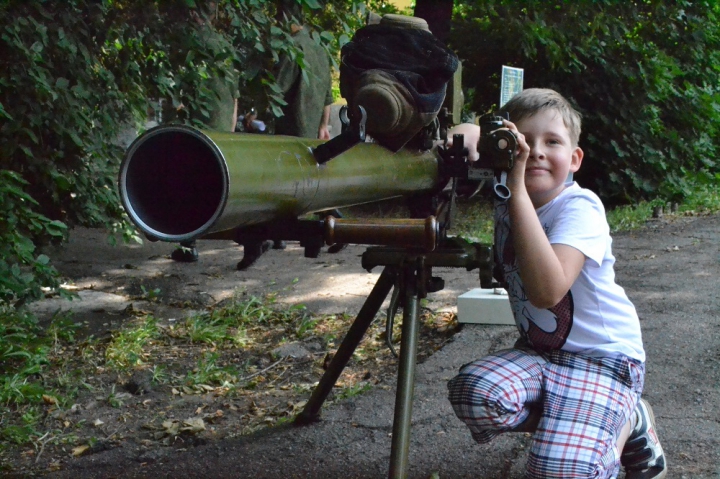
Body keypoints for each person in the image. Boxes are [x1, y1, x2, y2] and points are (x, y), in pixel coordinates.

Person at [446, 88, 666, 478]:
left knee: (561, 471)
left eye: (552, 142)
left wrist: (514, 183)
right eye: (524, 142)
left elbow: (548, 292)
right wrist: (465, 133)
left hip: (604, 360)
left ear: (575, 158)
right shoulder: (508, 190)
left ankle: (623, 419)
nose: (536, 152)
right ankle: (583, 420)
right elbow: (467, 133)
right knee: (473, 394)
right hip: (541, 355)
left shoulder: (579, 207)